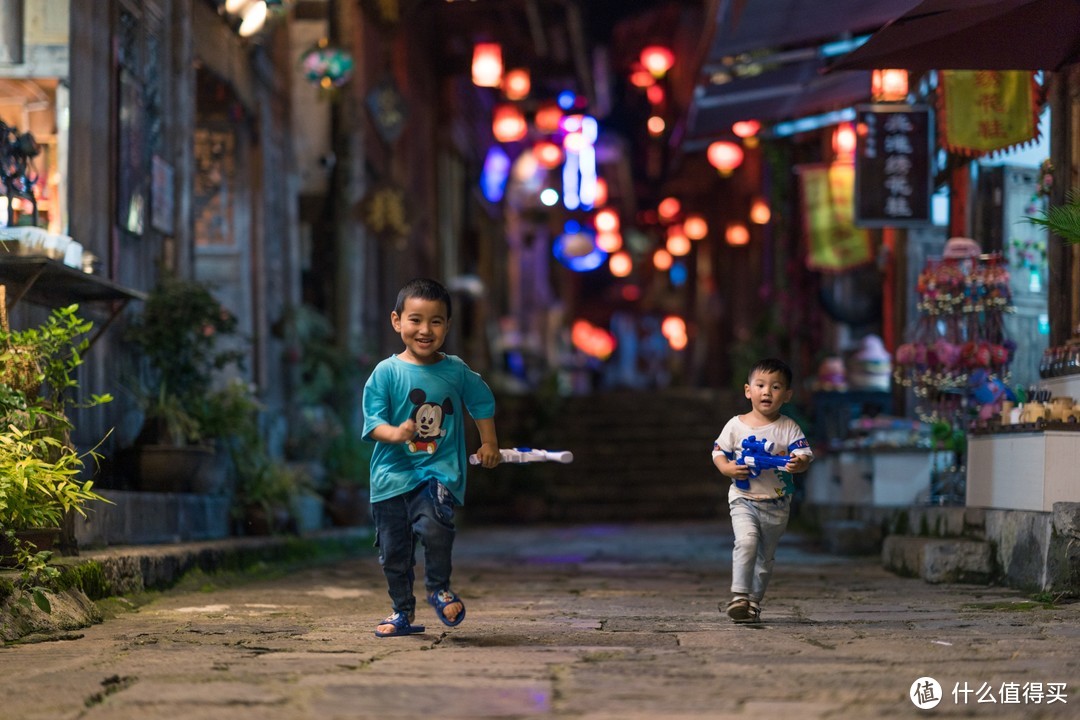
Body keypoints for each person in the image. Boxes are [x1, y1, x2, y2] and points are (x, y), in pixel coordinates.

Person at [362, 278, 501, 637]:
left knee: (436, 526)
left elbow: (482, 401)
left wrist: (489, 443)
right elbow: (374, 422)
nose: (425, 330)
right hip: (391, 477)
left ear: (447, 326)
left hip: (437, 472)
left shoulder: (455, 371)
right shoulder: (386, 372)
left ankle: (439, 588)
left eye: (435, 321)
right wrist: (397, 433)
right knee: (394, 552)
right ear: (397, 321)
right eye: (415, 320)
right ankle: (401, 612)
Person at [711, 358, 813, 624]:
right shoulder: (736, 425)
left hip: (777, 503)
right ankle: (739, 596)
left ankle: (753, 602)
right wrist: (728, 469)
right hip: (743, 499)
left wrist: (797, 462)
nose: (767, 392)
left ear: (787, 395)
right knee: (746, 542)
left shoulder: (788, 427)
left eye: (776, 387)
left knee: (765, 558)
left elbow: (803, 455)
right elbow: (718, 451)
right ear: (748, 390)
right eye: (760, 385)